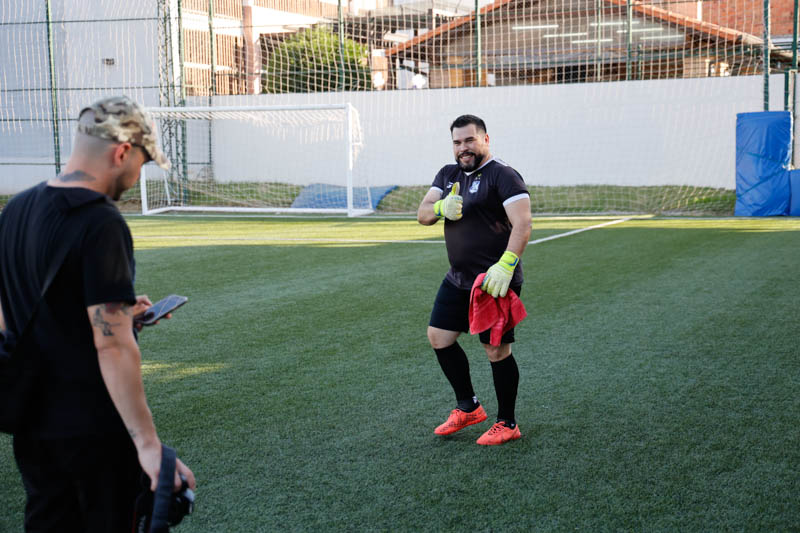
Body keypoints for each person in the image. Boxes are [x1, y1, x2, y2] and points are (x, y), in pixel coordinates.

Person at [0, 96, 196, 531]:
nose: (137, 175)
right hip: (93, 429)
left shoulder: (15, 211)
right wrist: (148, 446)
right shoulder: (100, 221)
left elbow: (11, 317)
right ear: (123, 151)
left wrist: (123, 313)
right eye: (142, 163)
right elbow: (112, 346)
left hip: (33, 428)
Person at [417, 114, 532, 446]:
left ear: (485, 139)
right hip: (458, 279)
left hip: (493, 282)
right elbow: (422, 213)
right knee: (439, 336)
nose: (463, 148)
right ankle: (468, 407)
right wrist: (440, 207)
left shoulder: (503, 175)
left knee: (495, 350)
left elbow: (523, 224)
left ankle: (507, 422)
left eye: (469, 140)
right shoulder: (448, 174)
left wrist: (506, 265)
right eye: (457, 142)